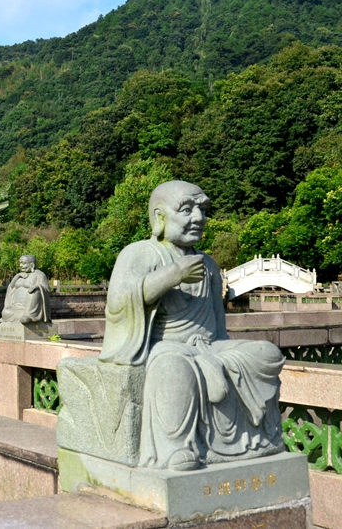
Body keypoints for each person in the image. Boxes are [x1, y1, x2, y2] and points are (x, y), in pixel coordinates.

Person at [99, 180, 284, 471]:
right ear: (160, 217)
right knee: (171, 369)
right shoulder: (140, 253)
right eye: (186, 210)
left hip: (209, 345)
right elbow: (119, 304)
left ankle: (259, 438)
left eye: (202, 210)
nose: (198, 218)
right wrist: (172, 275)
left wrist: (219, 350)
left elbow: (218, 326)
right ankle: (176, 448)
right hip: (167, 346)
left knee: (267, 353)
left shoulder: (208, 265)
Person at [0, 255, 51, 327]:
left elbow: (46, 290)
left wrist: (36, 287)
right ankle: (2, 320)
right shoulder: (20, 276)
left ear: (32, 265)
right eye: (20, 263)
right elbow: (11, 288)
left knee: (36, 291)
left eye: (23, 263)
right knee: (5, 312)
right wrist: (17, 276)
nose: (21, 265)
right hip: (17, 307)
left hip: (31, 309)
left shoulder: (39, 275)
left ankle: (29, 316)